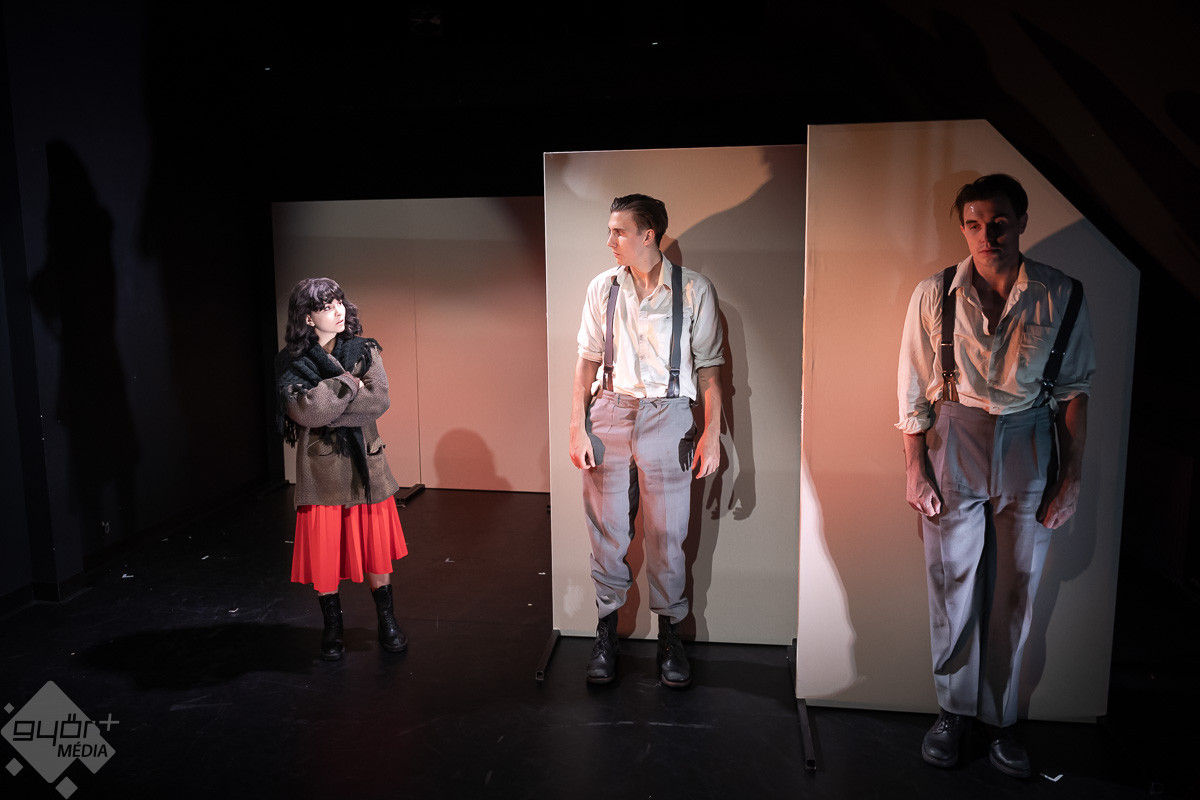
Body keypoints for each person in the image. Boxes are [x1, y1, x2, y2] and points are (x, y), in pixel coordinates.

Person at [897, 174, 1095, 777]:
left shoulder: (1061, 293)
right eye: (975, 224)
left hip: (1030, 442)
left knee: (1016, 590)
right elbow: (912, 391)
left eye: (1000, 222)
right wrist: (915, 467)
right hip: (954, 436)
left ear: (1021, 222)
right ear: (963, 228)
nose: (988, 235)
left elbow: (1074, 391)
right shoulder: (933, 294)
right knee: (951, 581)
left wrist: (1071, 478)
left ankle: (1000, 720)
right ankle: (953, 711)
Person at [569, 193, 725, 688]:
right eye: (610, 230)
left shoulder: (694, 289)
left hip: (669, 414)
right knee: (607, 529)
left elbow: (710, 371)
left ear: (648, 234)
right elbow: (586, 362)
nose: (610, 240)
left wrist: (712, 435)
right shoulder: (603, 287)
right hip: (610, 411)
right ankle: (606, 631)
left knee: (666, 533)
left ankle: (670, 636)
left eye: (619, 231)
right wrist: (577, 426)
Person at [275, 277, 409, 661]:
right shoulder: (292, 362)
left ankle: (387, 620)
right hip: (321, 471)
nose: (339, 311)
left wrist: (329, 406)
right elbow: (304, 412)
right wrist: (350, 383)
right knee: (325, 553)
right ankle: (332, 626)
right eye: (327, 306)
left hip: (367, 465)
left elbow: (378, 400)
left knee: (376, 550)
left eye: (340, 302)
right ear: (307, 317)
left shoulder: (364, 348)